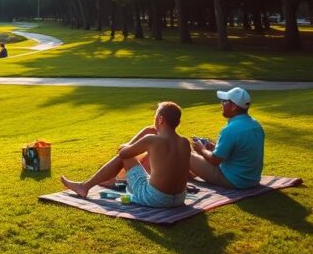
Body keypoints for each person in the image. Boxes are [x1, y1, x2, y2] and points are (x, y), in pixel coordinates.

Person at [61, 102, 190, 208]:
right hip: (179, 198)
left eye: (155, 117)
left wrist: (143, 133)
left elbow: (123, 153)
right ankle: (108, 181)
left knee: (125, 157)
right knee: (143, 165)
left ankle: (84, 186)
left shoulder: (152, 139)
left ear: (161, 120)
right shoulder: (184, 142)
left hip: (156, 199)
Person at [190, 87, 265, 189]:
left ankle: (180, 183)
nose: (221, 104)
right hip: (252, 179)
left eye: (224, 101)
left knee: (186, 154)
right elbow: (240, 151)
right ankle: (189, 175)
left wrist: (201, 149)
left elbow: (215, 160)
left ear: (233, 106)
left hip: (233, 180)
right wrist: (214, 147)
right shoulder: (256, 125)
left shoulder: (230, 130)